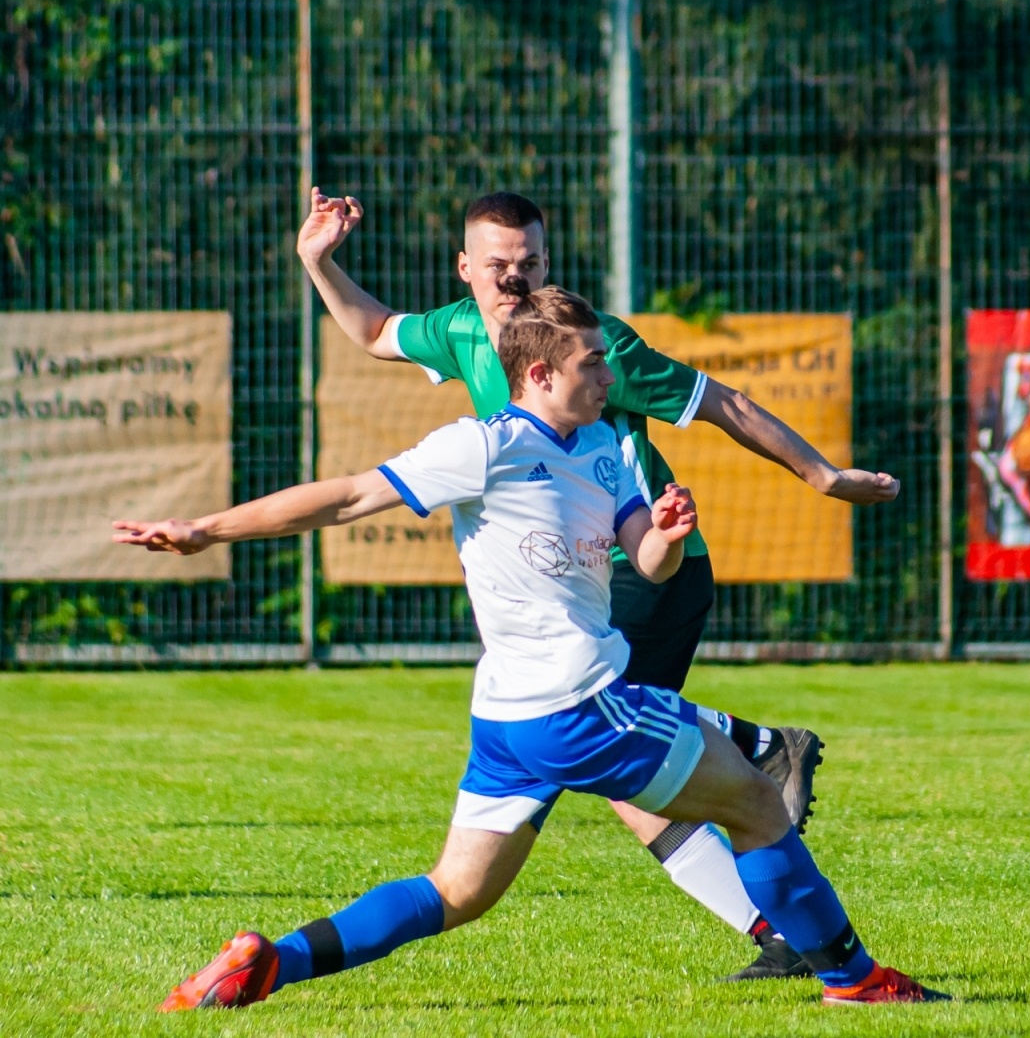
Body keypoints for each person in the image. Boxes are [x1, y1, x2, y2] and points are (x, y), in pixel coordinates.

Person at [117, 288, 948, 1010]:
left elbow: (647, 563)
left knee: (458, 893)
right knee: (759, 805)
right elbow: (344, 497)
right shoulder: (486, 445)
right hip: (579, 704)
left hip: (511, 721)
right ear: (542, 375)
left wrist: (660, 535)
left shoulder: (606, 448)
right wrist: (205, 529)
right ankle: (854, 978)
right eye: (592, 363)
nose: (609, 375)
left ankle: (271, 965)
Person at [297, 188, 901, 979]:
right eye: (498, 266)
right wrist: (318, 260)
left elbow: (723, 401)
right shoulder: (455, 331)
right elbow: (375, 331)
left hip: (642, 567)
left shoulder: (596, 347)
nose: (514, 280)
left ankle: (763, 775)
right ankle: (774, 903)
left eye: (531, 264)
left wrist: (820, 475)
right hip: (573, 592)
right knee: (630, 783)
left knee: (621, 757)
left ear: (547, 263)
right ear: (466, 270)